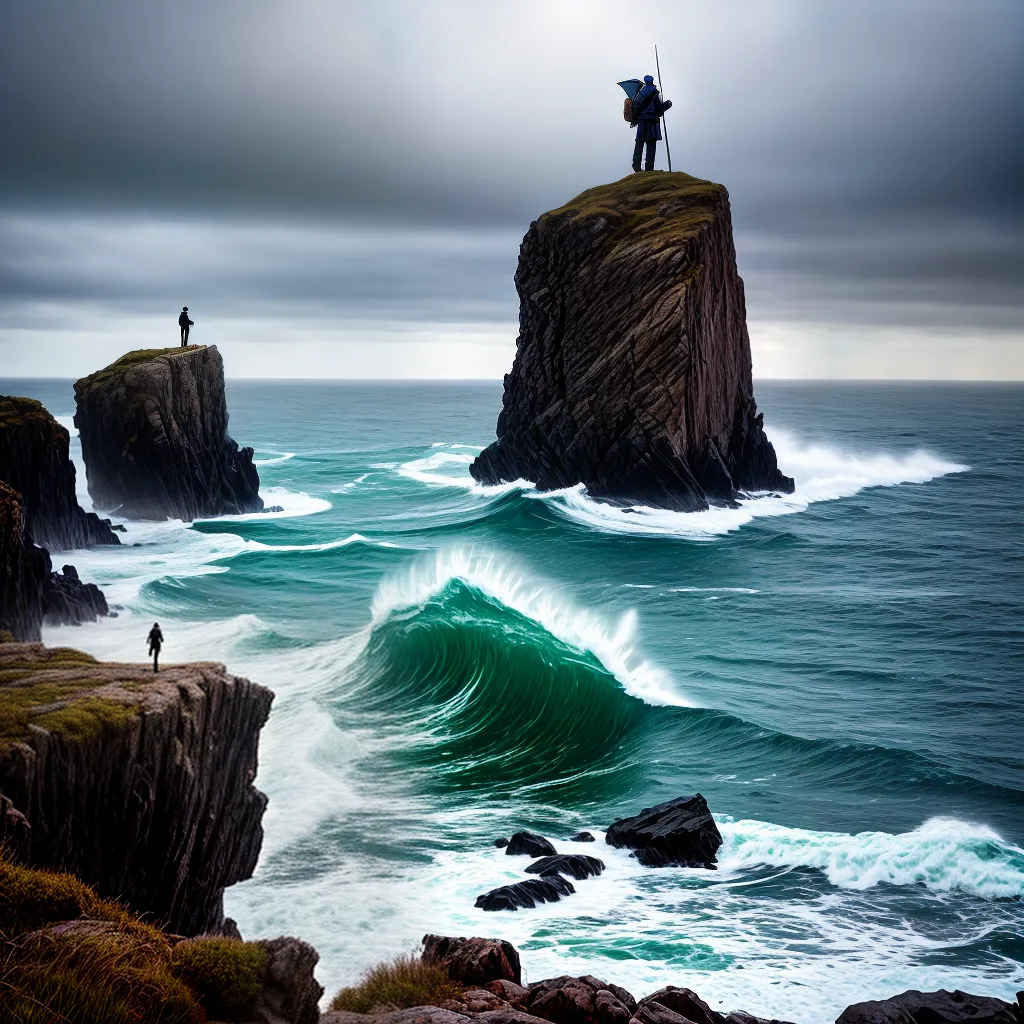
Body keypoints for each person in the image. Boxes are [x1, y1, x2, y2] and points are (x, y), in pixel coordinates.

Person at [630, 75, 672, 172]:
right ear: (652, 81)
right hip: (652, 123)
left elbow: (635, 107)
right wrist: (667, 105)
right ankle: (649, 168)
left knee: (639, 143)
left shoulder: (639, 93)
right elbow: (658, 111)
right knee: (651, 145)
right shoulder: (655, 93)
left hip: (641, 123)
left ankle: (636, 166)